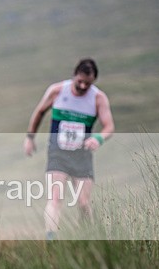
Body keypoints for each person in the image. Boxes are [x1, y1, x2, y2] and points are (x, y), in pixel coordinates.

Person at [23, 58, 115, 240]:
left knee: (83, 202)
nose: (82, 86)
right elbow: (39, 112)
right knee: (55, 198)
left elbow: (109, 127)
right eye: (79, 81)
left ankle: (89, 237)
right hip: (58, 152)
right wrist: (30, 137)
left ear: (93, 81)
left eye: (87, 84)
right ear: (74, 75)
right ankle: (51, 239)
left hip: (82, 155)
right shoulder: (57, 91)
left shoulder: (98, 98)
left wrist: (98, 138)